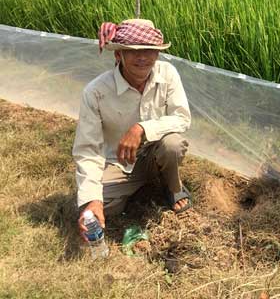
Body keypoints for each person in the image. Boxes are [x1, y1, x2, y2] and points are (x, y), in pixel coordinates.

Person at [74, 19, 192, 240]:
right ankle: (140, 186)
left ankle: (171, 185)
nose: (143, 57)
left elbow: (182, 118)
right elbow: (87, 150)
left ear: (157, 53)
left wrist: (141, 129)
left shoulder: (167, 73)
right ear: (118, 55)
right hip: (120, 162)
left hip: (157, 152)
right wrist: (93, 200)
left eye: (150, 50)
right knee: (93, 208)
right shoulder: (96, 92)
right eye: (133, 51)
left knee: (173, 145)